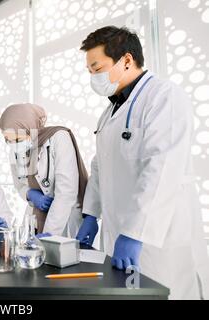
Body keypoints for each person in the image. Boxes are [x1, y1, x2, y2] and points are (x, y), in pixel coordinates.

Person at [77, 25, 209, 299]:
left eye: (97, 68)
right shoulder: (109, 112)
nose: (93, 77)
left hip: (160, 237)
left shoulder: (164, 96)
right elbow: (100, 166)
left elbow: (163, 167)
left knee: (167, 292)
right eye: (89, 71)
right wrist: (91, 214)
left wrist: (136, 232)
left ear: (126, 60)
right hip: (119, 233)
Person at [0, 103, 88, 237]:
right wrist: (30, 194)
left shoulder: (59, 138)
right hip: (35, 215)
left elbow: (66, 192)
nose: (14, 145)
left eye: (18, 139)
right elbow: (19, 186)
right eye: (8, 140)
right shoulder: (15, 150)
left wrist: (49, 233)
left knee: (60, 252)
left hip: (64, 218)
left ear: (30, 128)